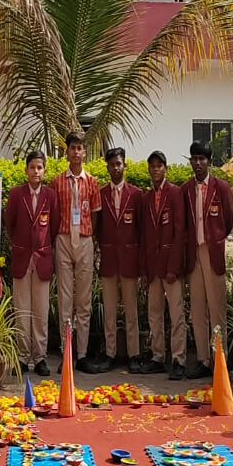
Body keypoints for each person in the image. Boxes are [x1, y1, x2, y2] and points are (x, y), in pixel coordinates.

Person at [181, 140, 233, 380]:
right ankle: (203, 359)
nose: (198, 163)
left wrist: (216, 239)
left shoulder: (221, 187)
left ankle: (219, 359)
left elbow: (229, 220)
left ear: (209, 161)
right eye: (194, 158)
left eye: (202, 159)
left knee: (217, 308)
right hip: (194, 254)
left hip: (213, 253)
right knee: (198, 309)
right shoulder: (185, 189)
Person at [51, 130, 103, 373]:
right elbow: (53, 214)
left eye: (80, 148)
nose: (76, 152)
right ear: (67, 152)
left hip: (84, 240)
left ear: (84, 152)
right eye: (72, 147)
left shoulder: (92, 182)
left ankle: (81, 354)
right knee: (65, 300)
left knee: (83, 300)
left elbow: (95, 214)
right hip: (63, 239)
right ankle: (66, 354)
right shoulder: (56, 182)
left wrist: (88, 235)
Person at [4, 151, 58, 377]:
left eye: (40, 167)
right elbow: (10, 224)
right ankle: (23, 357)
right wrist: (21, 245)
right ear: (26, 170)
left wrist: (42, 248)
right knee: (22, 310)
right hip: (22, 258)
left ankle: (40, 357)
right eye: (32, 167)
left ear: (44, 171)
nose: (36, 171)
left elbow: (54, 227)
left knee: (41, 311)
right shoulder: (17, 194)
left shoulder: (51, 196)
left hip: (42, 259)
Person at [141, 150, 190, 379]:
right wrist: (145, 270)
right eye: (152, 166)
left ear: (165, 168)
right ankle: (157, 357)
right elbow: (144, 236)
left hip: (171, 267)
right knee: (154, 313)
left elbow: (180, 233)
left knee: (176, 313)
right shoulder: (146, 198)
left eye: (159, 166)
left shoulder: (175, 193)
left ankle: (179, 359)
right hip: (153, 266)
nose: (155, 170)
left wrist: (173, 267)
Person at [95, 148, 143, 372]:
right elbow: (97, 228)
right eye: (112, 164)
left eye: (119, 164)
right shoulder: (101, 193)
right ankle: (110, 353)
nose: (115, 168)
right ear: (107, 167)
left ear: (125, 166)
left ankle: (134, 354)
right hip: (109, 260)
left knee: (131, 310)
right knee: (110, 311)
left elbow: (141, 229)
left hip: (129, 260)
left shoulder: (136, 194)